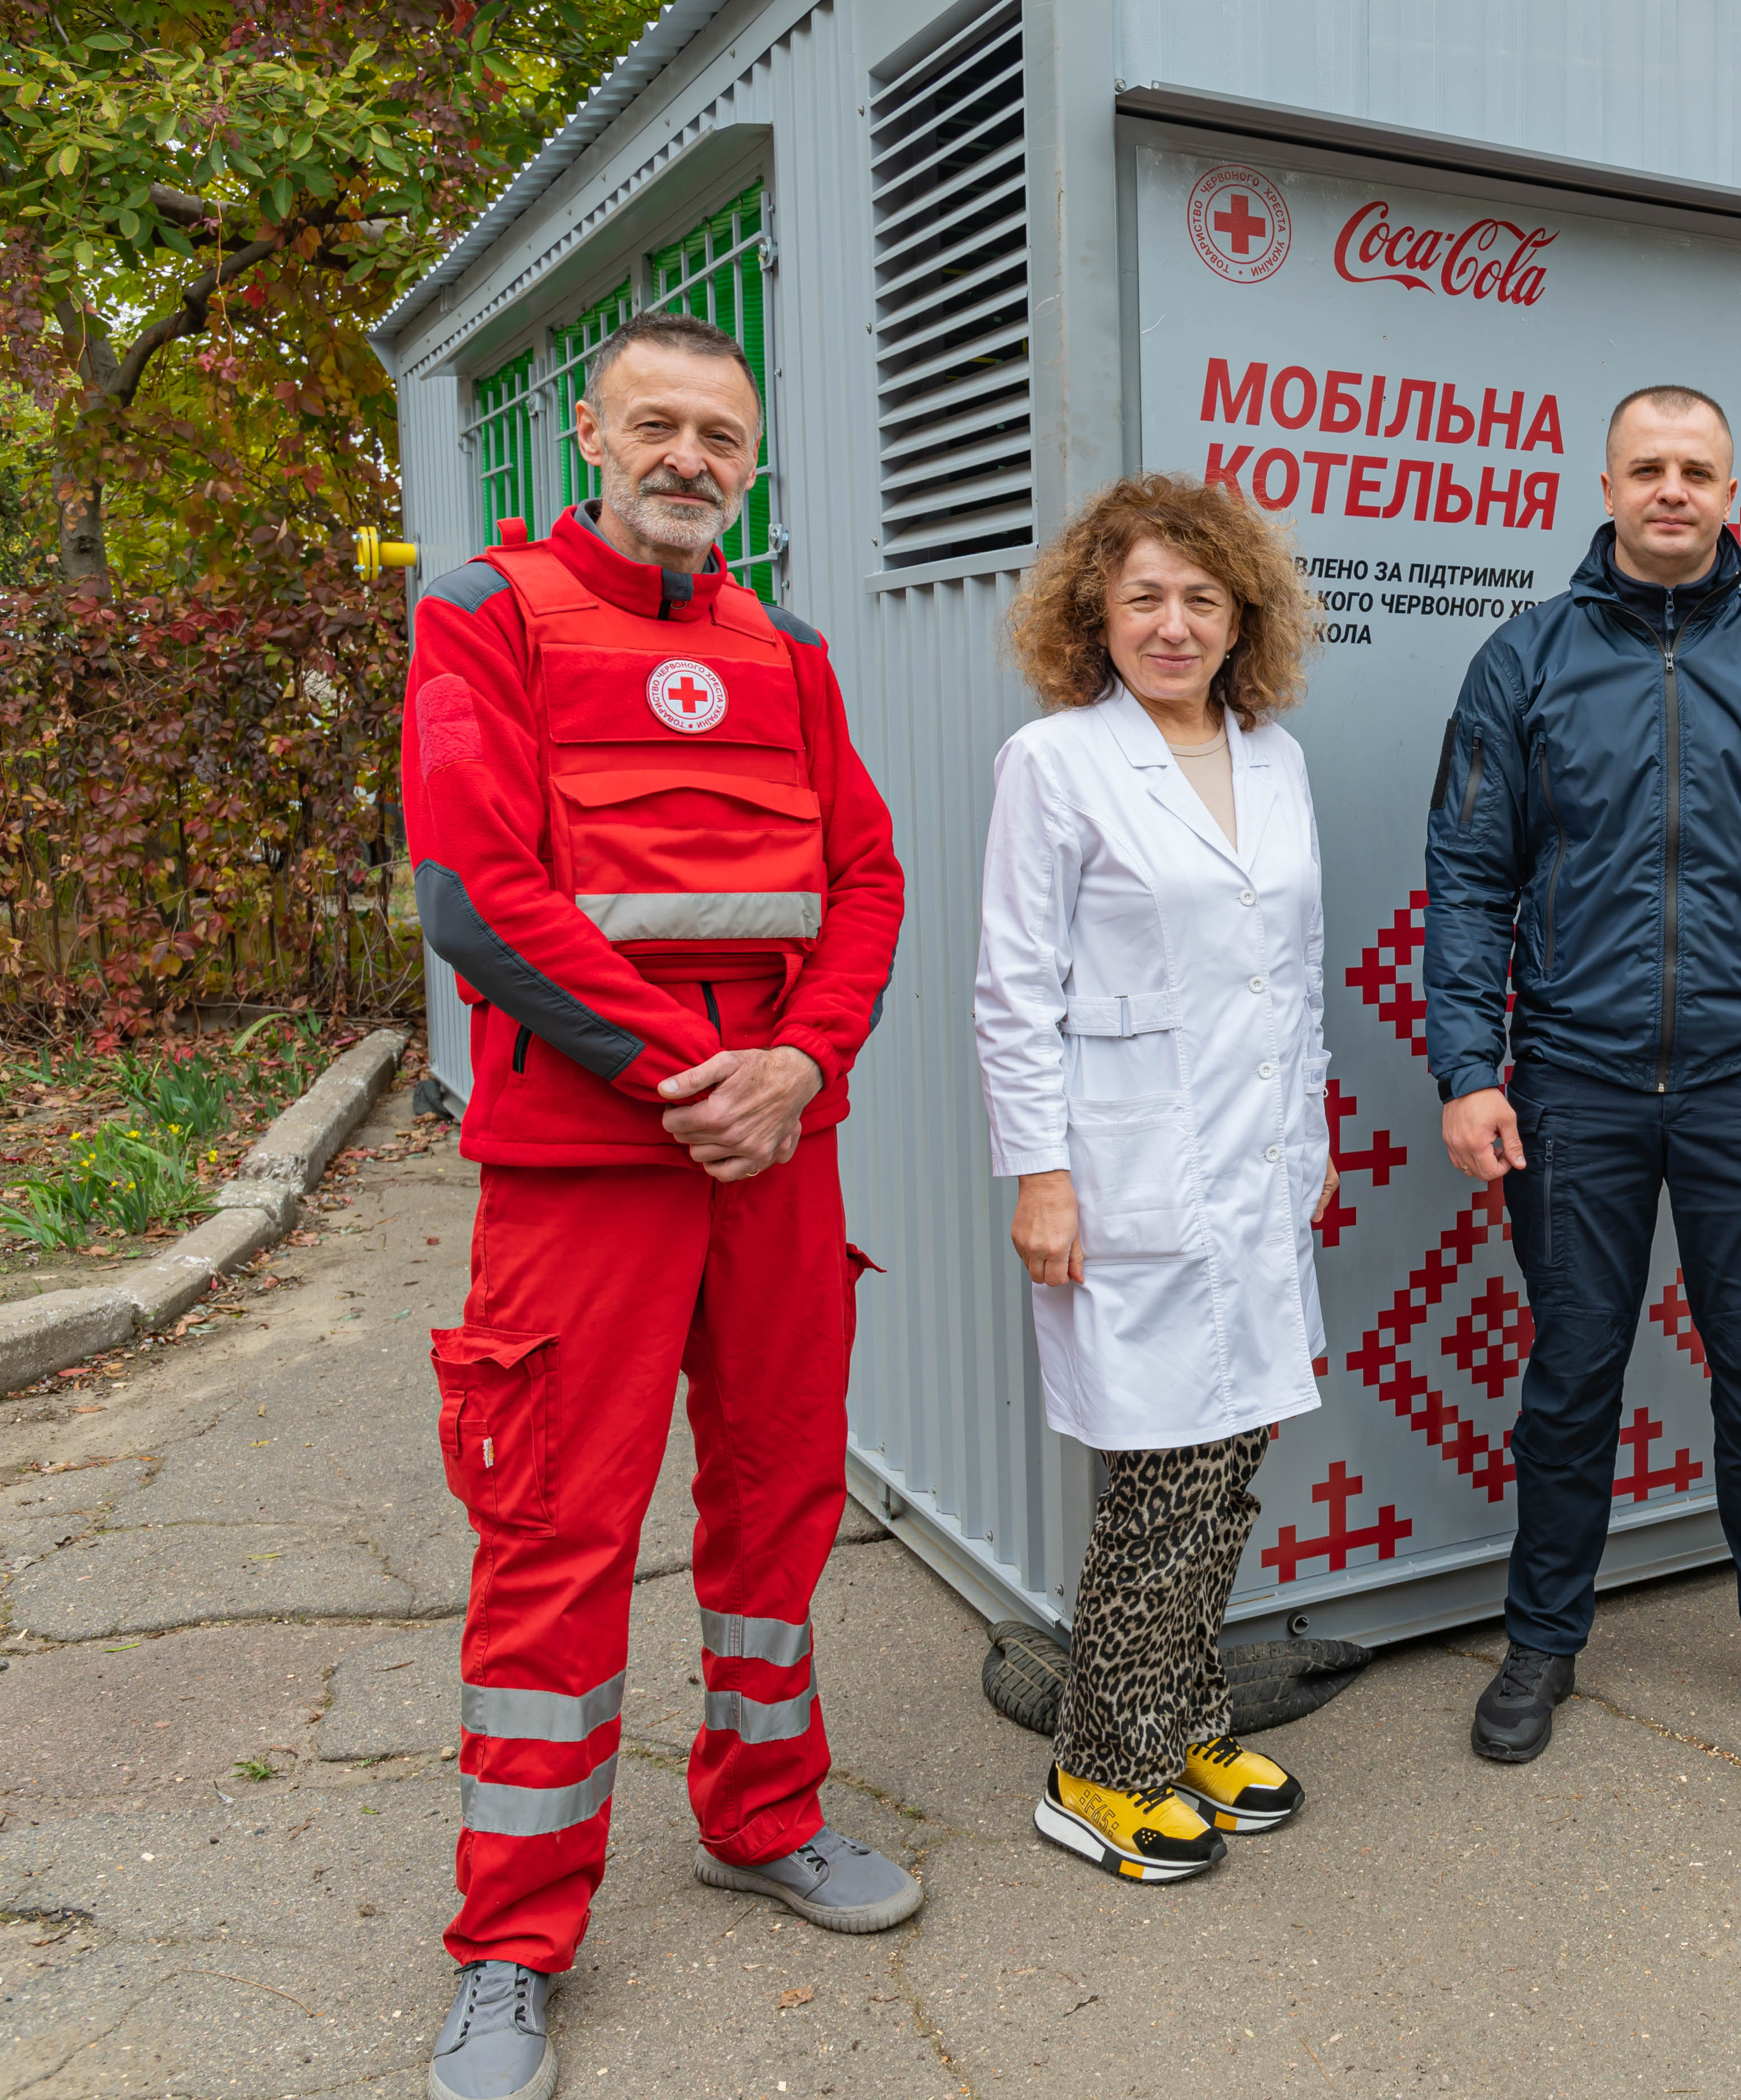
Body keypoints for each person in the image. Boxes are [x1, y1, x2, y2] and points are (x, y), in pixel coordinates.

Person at [401, 312, 915, 2100]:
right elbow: (474, 886)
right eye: (658, 427)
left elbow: (866, 876)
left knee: (777, 1509)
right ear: (591, 442)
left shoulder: (789, 651)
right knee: (556, 1537)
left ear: (752, 464)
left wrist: (801, 1068)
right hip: (588, 1171)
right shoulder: (484, 609)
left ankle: (762, 1818)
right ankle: (510, 1943)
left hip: (776, 1157)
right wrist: (687, 1076)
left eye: (723, 434)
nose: (690, 457)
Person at [1425, 385, 1741, 1764]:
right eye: (1650, 467)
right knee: (1572, 1371)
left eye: (1698, 468)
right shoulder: (1524, 662)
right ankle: (1541, 1641)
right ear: (1609, 479)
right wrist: (1470, 1066)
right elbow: (1467, 878)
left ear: (1732, 485)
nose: (1674, 490)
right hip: (1571, 1084)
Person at [974, 474, 1337, 1885]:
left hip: (1255, 1162)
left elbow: (1295, 972)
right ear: (1097, 615)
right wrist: (1041, 1176)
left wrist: (1301, 1143)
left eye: (1201, 597)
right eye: (1145, 599)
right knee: (1164, 1475)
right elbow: (1015, 990)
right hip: (1125, 1165)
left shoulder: (1274, 755)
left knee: (1232, 1451)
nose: (1174, 624)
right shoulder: (1055, 764)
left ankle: (1181, 1714)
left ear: (1241, 611)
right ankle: (1096, 1768)